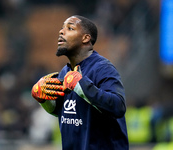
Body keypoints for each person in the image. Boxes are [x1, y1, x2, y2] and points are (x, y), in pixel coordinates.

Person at [31, 15, 129, 150]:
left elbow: (118, 106)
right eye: (61, 28)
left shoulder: (102, 68)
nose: (61, 32)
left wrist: (81, 85)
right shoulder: (65, 72)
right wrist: (45, 101)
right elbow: (68, 112)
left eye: (70, 28)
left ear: (86, 38)